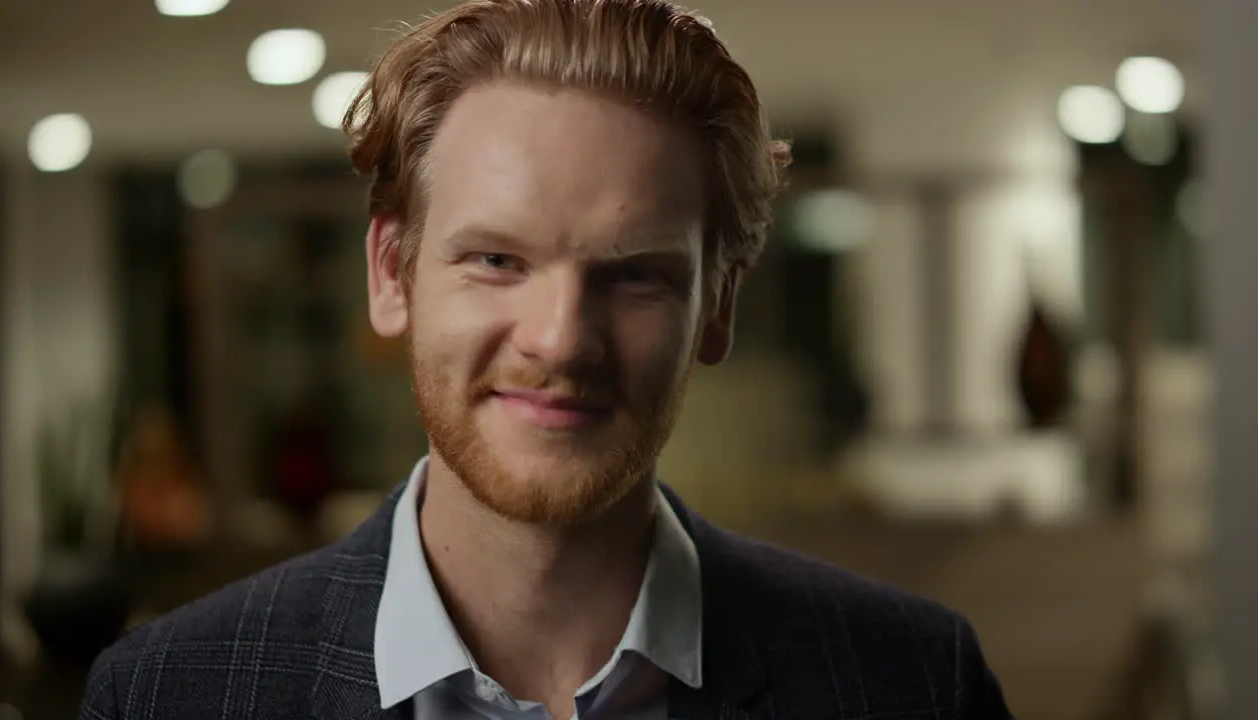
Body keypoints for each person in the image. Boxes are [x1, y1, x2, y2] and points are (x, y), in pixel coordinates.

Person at [80, 0, 1014, 717]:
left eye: (635, 275)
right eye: (496, 260)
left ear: (717, 306)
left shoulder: (913, 683)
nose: (561, 337)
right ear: (392, 273)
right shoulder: (168, 696)